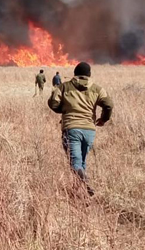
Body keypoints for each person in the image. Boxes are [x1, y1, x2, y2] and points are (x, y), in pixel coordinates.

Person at [48, 62, 113, 196]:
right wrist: (103, 119)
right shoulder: (97, 89)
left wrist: (64, 110)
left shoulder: (65, 86)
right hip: (89, 130)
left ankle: (86, 182)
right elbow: (109, 105)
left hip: (71, 128)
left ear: (75, 73)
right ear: (89, 74)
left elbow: (53, 102)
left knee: (75, 163)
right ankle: (79, 192)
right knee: (82, 160)